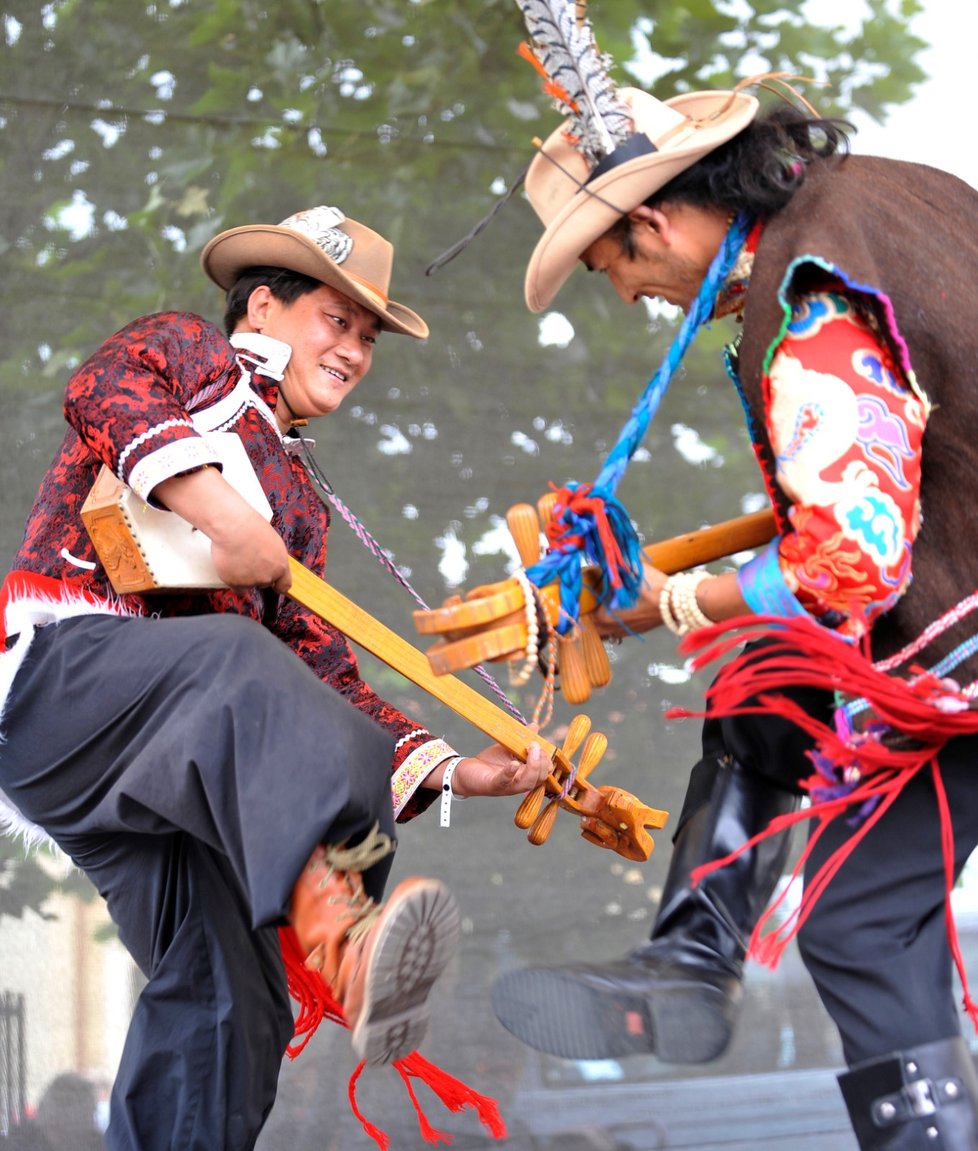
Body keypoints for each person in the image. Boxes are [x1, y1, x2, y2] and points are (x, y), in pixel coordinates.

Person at [485, 29, 978, 1150]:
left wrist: (663, 603)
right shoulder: (907, 203)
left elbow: (853, 560)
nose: (626, 295)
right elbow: (912, 470)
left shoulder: (810, 309)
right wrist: (684, 578)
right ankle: (692, 957)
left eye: (610, 265)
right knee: (775, 685)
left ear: (652, 218)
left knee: (858, 919)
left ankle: (696, 959)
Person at [0, 204, 547, 1151]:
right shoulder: (184, 350)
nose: (355, 351)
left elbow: (324, 675)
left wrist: (460, 771)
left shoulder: (299, 502)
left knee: (231, 994)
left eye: (369, 337)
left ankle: (321, 948)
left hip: (176, 769)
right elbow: (104, 387)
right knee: (239, 660)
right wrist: (216, 509)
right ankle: (345, 930)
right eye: (338, 321)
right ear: (261, 304)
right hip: (65, 682)